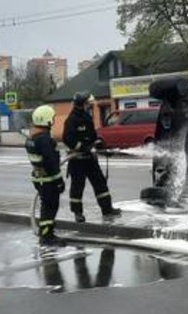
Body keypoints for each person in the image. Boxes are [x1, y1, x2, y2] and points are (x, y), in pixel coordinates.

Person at [62, 92, 121, 222]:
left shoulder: (87, 117)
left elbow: (92, 135)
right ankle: (78, 213)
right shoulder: (72, 120)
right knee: (77, 187)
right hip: (77, 160)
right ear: (82, 104)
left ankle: (107, 210)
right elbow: (67, 138)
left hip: (90, 159)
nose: (90, 105)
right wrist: (81, 147)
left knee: (100, 183)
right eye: (88, 103)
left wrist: (97, 142)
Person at [26, 105, 65, 247]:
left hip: (39, 178)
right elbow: (51, 163)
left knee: (46, 206)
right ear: (47, 120)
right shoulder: (44, 140)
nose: (53, 120)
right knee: (50, 207)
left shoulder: (32, 138)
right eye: (52, 118)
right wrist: (59, 180)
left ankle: (47, 233)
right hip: (48, 180)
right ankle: (47, 237)